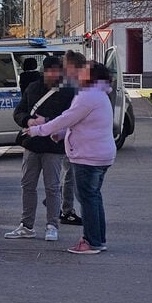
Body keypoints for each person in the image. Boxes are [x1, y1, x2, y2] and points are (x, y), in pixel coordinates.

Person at [26, 61, 116, 254]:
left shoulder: (88, 96)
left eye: (82, 71)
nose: (77, 74)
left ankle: (91, 241)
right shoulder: (99, 95)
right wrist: (62, 133)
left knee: (88, 199)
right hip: (100, 153)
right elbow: (81, 122)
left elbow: (66, 117)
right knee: (94, 197)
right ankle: (98, 238)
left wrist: (38, 130)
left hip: (88, 155)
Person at [5, 56, 75, 242]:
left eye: (55, 71)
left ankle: (52, 225)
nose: (52, 74)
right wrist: (28, 120)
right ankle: (26, 225)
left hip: (53, 146)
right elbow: (18, 112)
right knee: (27, 185)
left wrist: (47, 123)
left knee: (52, 187)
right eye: (49, 71)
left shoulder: (68, 92)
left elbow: (70, 119)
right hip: (32, 144)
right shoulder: (33, 88)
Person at [59, 50, 85, 225]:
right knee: (70, 175)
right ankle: (66, 209)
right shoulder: (72, 85)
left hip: (67, 134)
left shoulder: (66, 83)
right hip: (71, 136)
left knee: (68, 173)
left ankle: (62, 203)